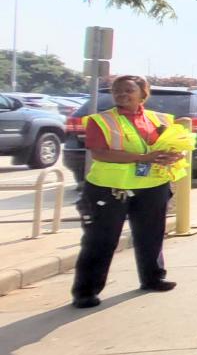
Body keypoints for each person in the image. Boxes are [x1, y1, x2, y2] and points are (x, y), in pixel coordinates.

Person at [71, 75, 185, 309]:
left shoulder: (159, 119)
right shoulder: (100, 121)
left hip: (152, 186)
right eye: (117, 90)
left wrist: (174, 155)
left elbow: (173, 146)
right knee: (100, 240)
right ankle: (86, 291)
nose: (121, 94)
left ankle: (153, 278)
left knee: (151, 235)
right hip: (109, 188)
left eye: (128, 90)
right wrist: (144, 158)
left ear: (143, 93)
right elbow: (100, 153)